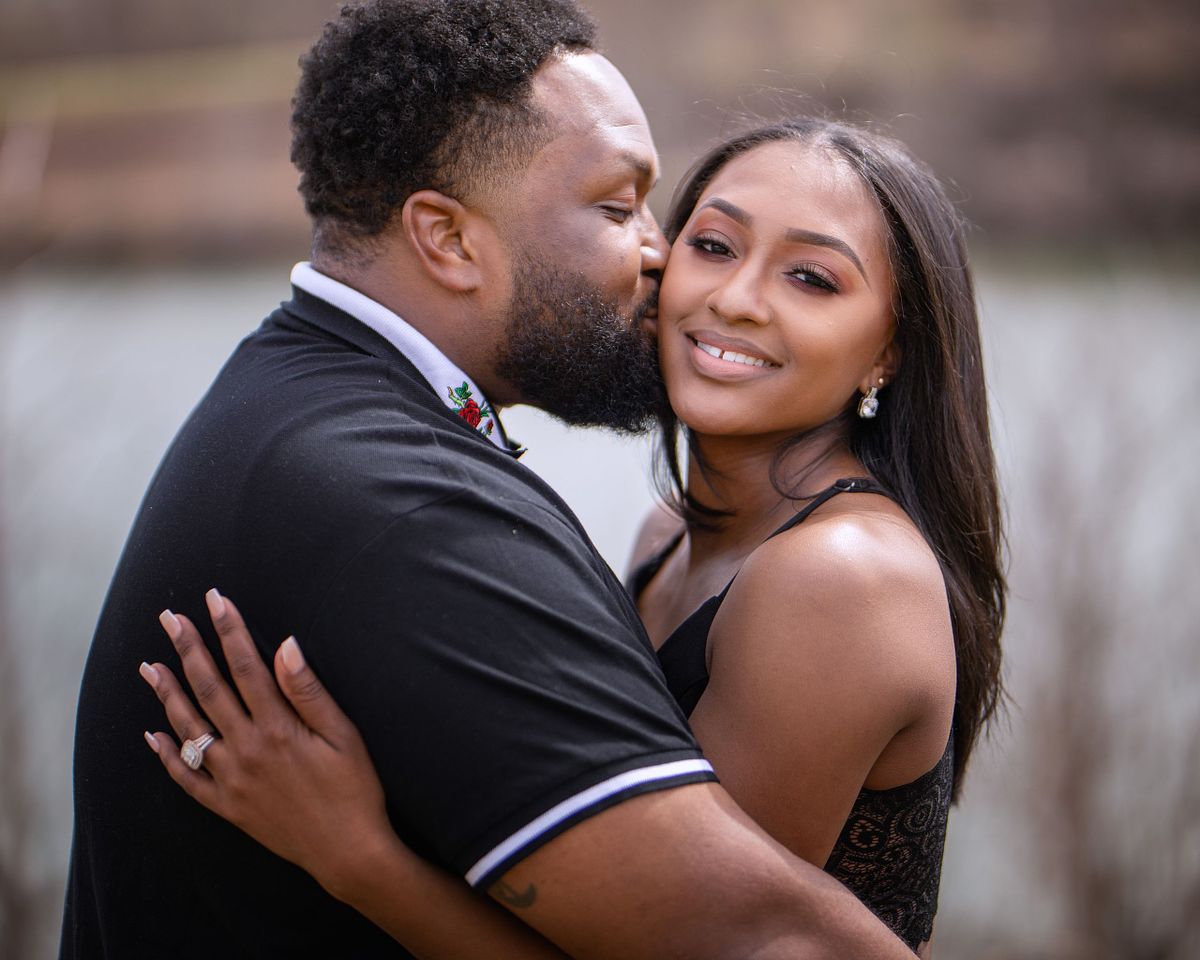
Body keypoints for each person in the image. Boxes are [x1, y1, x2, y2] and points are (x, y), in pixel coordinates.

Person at [61, 1, 916, 958]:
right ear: (449, 239)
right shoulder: (405, 506)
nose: (659, 254)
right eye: (615, 206)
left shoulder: (295, 397)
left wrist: (362, 860)